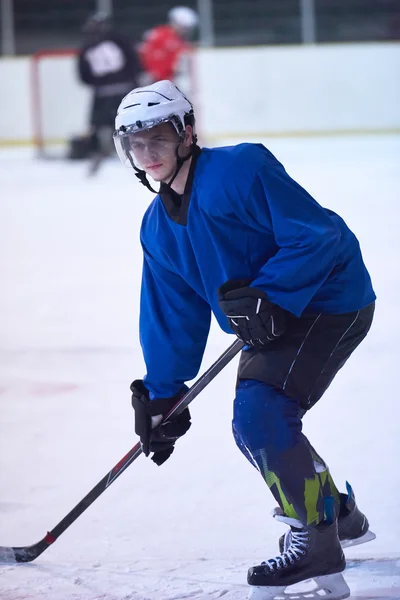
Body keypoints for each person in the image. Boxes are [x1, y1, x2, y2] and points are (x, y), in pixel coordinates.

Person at [113, 80, 376, 599]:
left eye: (159, 138)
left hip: (329, 301)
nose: (149, 154)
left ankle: (317, 541)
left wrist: (272, 293)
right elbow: (172, 312)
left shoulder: (240, 170)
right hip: (271, 318)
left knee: (260, 415)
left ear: (187, 132)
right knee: (253, 423)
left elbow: (316, 233)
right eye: (136, 145)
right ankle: (336, 516)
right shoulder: (157, 227)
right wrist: (164, 391)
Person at [77, 11, 141, 174]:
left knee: (98, 125)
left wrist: (100, 83)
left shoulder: (86, 45)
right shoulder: (122, 39)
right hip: (125, 89)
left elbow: (83, 75)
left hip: (102, 92)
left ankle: (99, 152)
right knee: (130, 121)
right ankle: (133, 152)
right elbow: (134, 62)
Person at [138, 6, 198, 85]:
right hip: (153, 81)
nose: (186, 32)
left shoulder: (181, 42)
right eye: (185, 28)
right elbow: (144, 54)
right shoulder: (159, 35)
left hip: (167, 82)